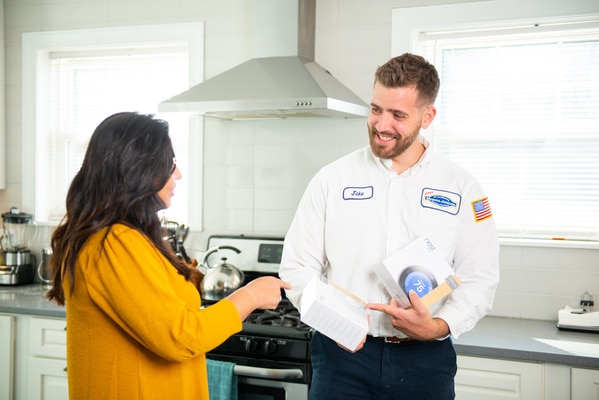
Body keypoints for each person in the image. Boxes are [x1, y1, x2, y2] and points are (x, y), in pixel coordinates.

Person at [279, 53, 499, 399]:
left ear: (428, 116)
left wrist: (436, 326)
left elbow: (480, 277)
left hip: (425, 361)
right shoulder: (331, 179)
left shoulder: (463, 188)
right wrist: (331, 319)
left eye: (398, 115)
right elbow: (296, 265)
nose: (381, 125)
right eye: (376, 109)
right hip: (342, 358)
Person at [46, 112, 290, 400]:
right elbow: (181, 336)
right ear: (137, 169)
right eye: (169, 164)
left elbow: (160, 299)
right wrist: (251, 296)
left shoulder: (126, 237)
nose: (178, 174)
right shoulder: (113, 243)